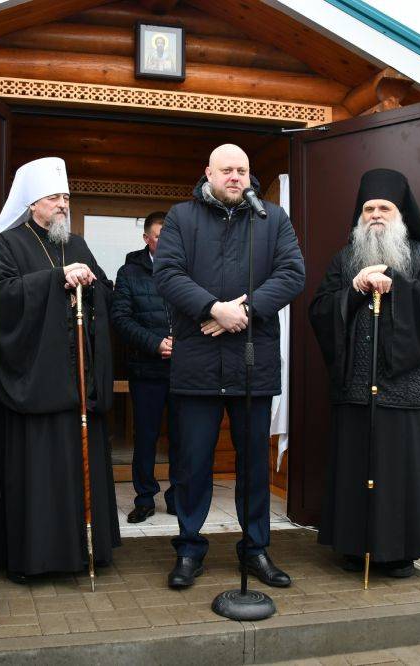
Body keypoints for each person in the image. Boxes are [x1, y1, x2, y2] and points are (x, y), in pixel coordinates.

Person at [154, 144, 305, 589]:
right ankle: (188, 550)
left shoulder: (271, 219)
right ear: (208, 173)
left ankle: (256, 549)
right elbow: (167, 272)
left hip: (251, 366)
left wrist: (247, 311)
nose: (235, 177)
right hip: (197, 364)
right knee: (193, 465)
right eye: (226, 170)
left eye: (242, 170)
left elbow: (293, 272)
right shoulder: (181, 217)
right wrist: (213, 309)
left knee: (254, 467)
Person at [0, 157, 120, 582]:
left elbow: (105, 291)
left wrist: (90, 286)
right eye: (55, 197)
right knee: (38, 479)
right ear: (32, 202)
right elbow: (2, 298)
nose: (63, 205)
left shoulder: (75, 243)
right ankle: (36, 557)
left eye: (66, 197)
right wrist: (56, 280)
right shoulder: (7, 245)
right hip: (36, 387)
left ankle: (83, 551)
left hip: (77, 385)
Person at [309, 168, 420, 579]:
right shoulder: (344, 259)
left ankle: (399, 552)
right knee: (356, 468)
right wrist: (352, 291)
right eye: (369, 208)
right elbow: (319, 310)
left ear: (399, 213)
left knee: (398, 474)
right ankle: (354, 548)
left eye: (383, 208)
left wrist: (397, 286)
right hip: (355, 389)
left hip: (402, 390)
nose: (375, 215)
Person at [111, 212, 179, 523]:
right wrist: (155, 343)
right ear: (147, 239)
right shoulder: (129, 272)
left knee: (184, 437)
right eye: (160, 237)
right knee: (146, 437)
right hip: (146, 369)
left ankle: (178, 496)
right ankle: (144, 498)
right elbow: (121, 319)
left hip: (184, 370)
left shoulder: (187, 268)